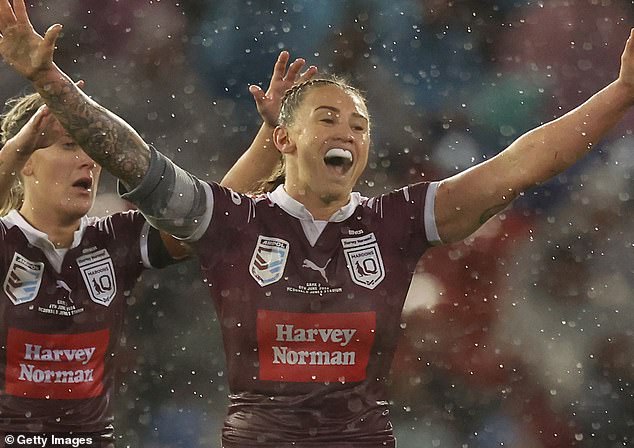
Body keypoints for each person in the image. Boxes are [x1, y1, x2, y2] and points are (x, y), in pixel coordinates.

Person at [2, 1, 634, 446]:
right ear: (283, 138)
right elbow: (134, 158)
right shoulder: (231, 221)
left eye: (360, 126)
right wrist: (48, 79)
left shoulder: (400, 221)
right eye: (328, 118)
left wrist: (620, 94)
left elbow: (517, 166)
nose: (348, 133)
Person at [0, 3, 315, 445]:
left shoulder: (110, 242)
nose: (87, 161)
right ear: (27, 163)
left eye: (89, 149)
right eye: (69, 145)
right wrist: (17, 145)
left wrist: (270, 136)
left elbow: (210, 213)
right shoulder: (8, 240)